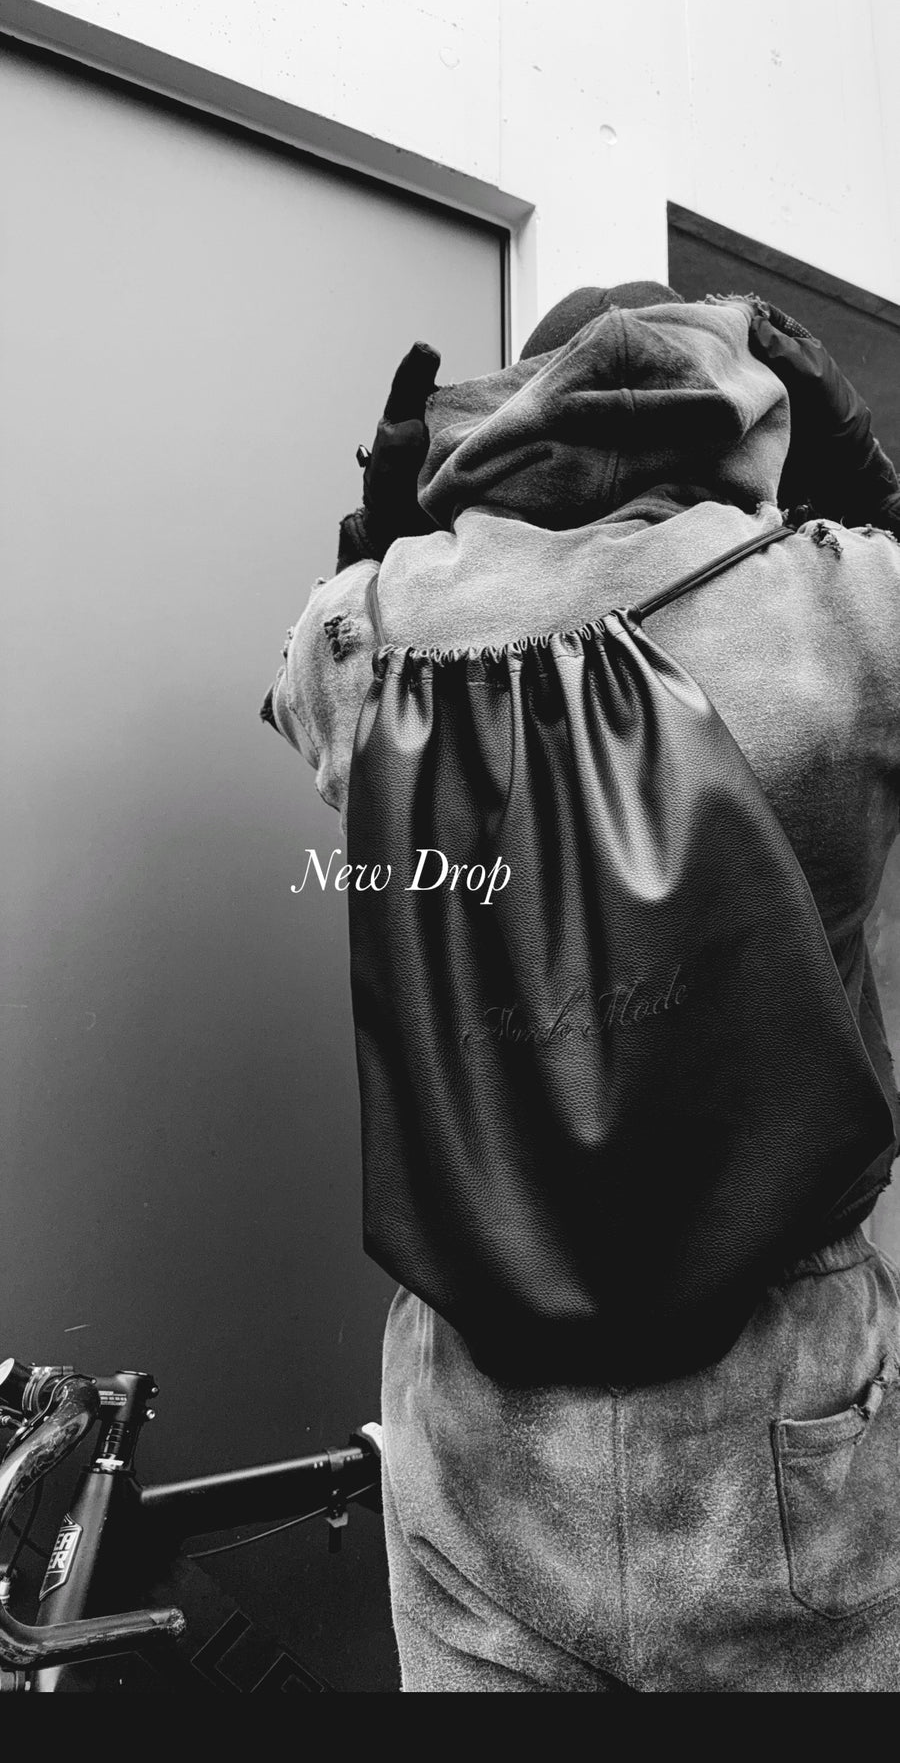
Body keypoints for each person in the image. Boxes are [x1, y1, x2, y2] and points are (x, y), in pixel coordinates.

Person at [262, 282, 900, 1691]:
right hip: (787, 1430)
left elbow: (308, 691)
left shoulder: (365, 627)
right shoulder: (855, 602)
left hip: (483, 1444)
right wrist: (864, 482)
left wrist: (383, 535)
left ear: (512, 409)